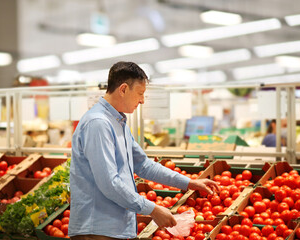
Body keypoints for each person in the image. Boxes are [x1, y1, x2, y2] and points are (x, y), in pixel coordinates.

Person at [68, 62, 219, 240]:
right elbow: (109, 183)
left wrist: (189, 183)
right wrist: (152, 210)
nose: (142, 101)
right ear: (123, 89)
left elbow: (143, 165)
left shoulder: (118, 122)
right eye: (140, 94)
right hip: (97, 230)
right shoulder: (98, 123)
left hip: (115, 228)